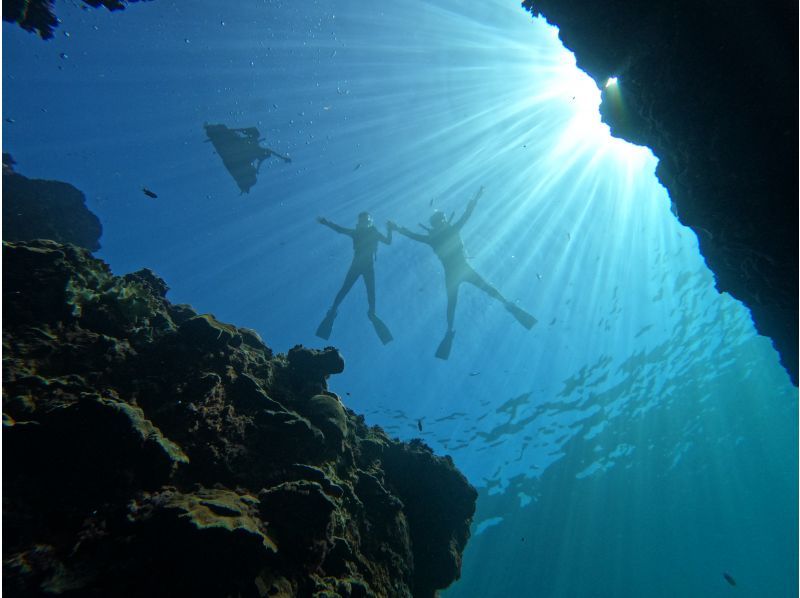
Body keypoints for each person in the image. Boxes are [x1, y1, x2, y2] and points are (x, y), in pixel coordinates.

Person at [389, 186, 536, 359]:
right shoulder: (446, 232)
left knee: (459, 300)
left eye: (441, 220)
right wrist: (475, 199)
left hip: (453, 273)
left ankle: (452, 328)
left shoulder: (434, 237)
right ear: (438, 223)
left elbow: (414, 235)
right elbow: (465, 215)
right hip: (462, 270)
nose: (442, 222)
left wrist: (397, 228)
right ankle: (506, 305)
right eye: (440, 221)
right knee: (479, 292)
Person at [316, 212, 394, 344]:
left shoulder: (365, 232)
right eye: (363, 221)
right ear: (360, 222)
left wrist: (390, 230)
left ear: (369, 221)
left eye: (366, 221)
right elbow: (340, 229)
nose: (365, 223)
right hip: (362, 266)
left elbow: (388, 241)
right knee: (350, 289)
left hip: (361, 266)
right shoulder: (360, 232)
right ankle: (367, 312)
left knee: (364, 291)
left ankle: (367, 312)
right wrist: (326, 222)